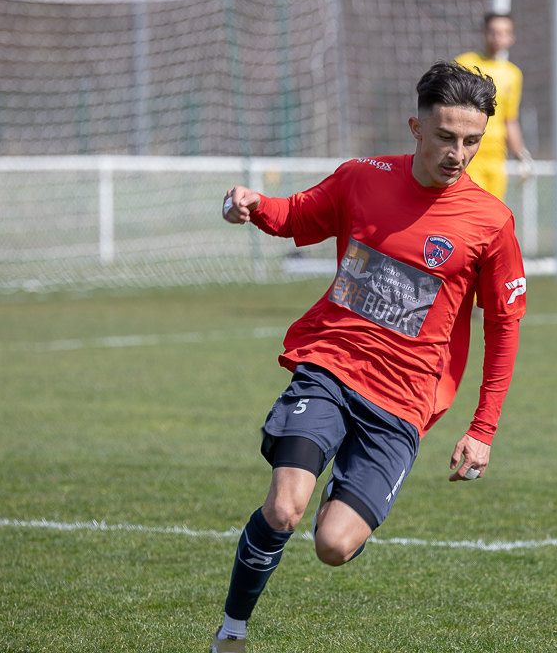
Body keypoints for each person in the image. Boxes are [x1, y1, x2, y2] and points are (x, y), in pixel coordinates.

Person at [210, 60, 527, 652]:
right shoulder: (363, 179)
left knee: (333, 546)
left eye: (471, 141)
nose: (457, 153)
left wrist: (483, 428)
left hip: (404, 402)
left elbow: (505, 328)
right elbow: (298, 216)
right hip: (329, 367)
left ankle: (344, 501)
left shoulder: (490, 222)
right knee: (283, 507)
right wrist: (253, 205)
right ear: (416, 127)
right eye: (445, 137)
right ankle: (233, 629)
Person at [454, 12, 532, 202]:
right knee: (469, 211)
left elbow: (509, 119)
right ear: (484, 33)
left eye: (504, 33)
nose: (498, 38)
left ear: (511, 37)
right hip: (468, 154)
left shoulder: (513, 74)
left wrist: (521, 155)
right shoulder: (464, 64)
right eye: (494, 32)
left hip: (497, 157)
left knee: (492, 215)